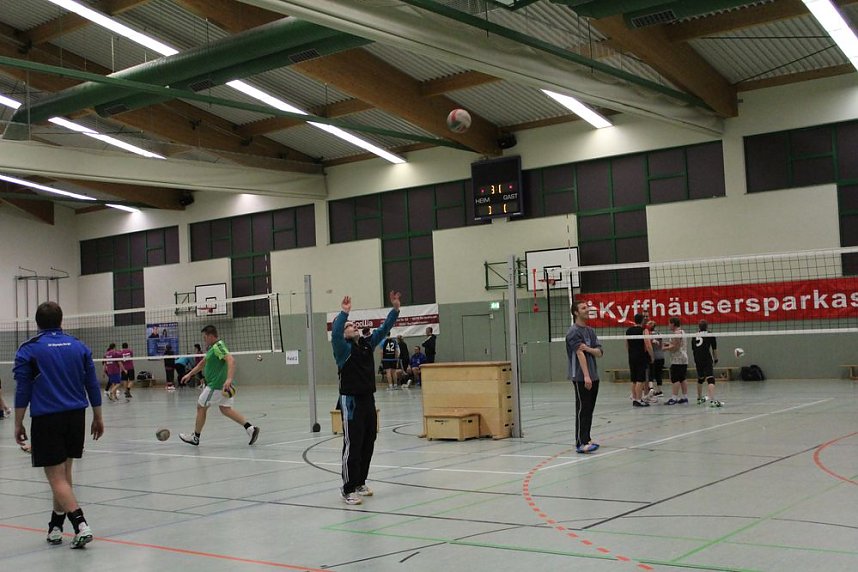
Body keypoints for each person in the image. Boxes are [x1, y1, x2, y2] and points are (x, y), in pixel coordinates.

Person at [13, 301, 104, 548]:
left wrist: (18, 423)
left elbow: (22, 390)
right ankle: (55, 526)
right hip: (76, 417)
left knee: (56, 477)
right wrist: (98, 416)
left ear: (37, 323)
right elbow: (92, 384)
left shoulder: (29, 350)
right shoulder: (79, 346)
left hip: (47, 418)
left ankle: (81, 524)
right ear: (61, 320)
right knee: (64, 474)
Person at [331, 291, 401, 505]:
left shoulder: (367, 344)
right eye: (348, 326)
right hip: (350, 401)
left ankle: (360, 481)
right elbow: (335, 332)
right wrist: (344, 313)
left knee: (368, 441)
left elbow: (384, 329)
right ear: (344, 334)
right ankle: (348, 488)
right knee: (352, 444)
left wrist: (395, 309)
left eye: (353, 324)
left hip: (368, 399)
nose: (352, 326)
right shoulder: (342, 349)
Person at [178, 326, 260, 446]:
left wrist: (229, 379)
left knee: (201, 407)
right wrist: (189, 374)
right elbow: (202, 364)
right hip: (221, 386)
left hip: (215, 386)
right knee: (225, 409)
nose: (204, 340)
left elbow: (231, 360)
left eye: (205, 337)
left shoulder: (218, 346)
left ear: (211, 336)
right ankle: (251, 429)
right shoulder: (212, 349)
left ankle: (195, 437)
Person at [565, 300, 603, 454]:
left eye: (587, 307)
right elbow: (579, 354)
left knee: (589, 409)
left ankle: (586, 438)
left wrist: (588, 348)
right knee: (583, 408)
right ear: (576, 312)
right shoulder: (573, 332)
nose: (587, 310)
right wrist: (586, 376)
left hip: (594, 375)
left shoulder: (590, 331)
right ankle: (581, 442)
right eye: (583, 308)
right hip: (581, 377)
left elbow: (599, 352)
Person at [626, 313, 653, 407]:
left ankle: (634, 399)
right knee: (640, 379)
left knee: (634, 380)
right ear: (642, 320)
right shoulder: (644, 330)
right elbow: (648, 344)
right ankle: (638, 399)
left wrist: (631, 353)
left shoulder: (628, 330)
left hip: (631, 356)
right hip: (641, 356)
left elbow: (627, 344)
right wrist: (652, 356)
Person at [692, 320, 721, 407]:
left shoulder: (694, 335)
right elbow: (714, 349)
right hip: (706, 358)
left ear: (699, 327)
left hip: (697, 359)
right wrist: (716, 359)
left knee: (700, 378)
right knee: (710, 379)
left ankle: (699, 398)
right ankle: (712, 401)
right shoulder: (710, 334)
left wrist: (695, 361)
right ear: (707, 327)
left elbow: (693, 349)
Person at [663, 317, 689, 405]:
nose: (668, 325)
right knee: (682, 378)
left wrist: (665, 348)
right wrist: (668, 344)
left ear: (673, 324)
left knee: (675, 379)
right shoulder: (682, 331)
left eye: (669, 323)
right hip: (683, 358)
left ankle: (674, 398)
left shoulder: (676, 333)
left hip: (678, 359)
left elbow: (676, 347)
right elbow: (678, 344)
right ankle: (685, 397)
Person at [646, 320, 665, 397]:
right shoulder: (659, 334)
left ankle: (651, 389)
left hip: (653, 357)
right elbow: (661, 346)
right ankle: (659, 391)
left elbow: (648, 346)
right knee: (658, 374)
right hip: (661, 357)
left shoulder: (648, 334)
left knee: (650, 373)